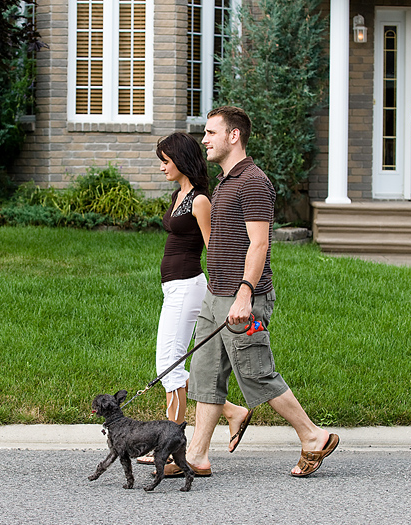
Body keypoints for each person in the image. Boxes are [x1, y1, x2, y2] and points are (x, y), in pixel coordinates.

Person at [164, 107, 339, 478]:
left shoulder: (253, 182)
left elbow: (260, 244)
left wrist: (245, 293)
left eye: (211, 133)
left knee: (257, 373)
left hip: (243, 296)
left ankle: (312, 436)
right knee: (207, 374)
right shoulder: (227, 181)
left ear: (234, 136)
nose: (204, 140)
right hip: (217, 293)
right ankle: (195, 455)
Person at [137, 132, 254, 466]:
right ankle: (232, 412)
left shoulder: (201, 200)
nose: (162, 167)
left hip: (188, 286)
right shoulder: (179, 194)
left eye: (166, 160)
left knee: (169, 367)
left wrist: (225, 292)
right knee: (170, 364)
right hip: (174, 288)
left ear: (181, 160)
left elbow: (213, 247)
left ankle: (170, 449)